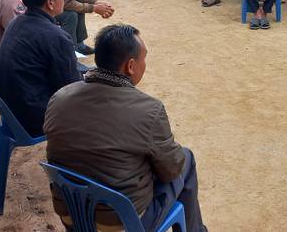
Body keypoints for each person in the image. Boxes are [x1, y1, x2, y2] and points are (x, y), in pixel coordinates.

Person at [44, 24, 207, 232]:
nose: (145, 64)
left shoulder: (59, 97)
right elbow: (170, 171)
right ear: (130, 66)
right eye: (144, 58)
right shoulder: (149, 110)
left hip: (70, 213)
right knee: (186, 159)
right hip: (119, 223)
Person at [0, 0, 81, 136]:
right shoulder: (55, 36)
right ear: (50, 3)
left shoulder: (17, 22)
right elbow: (69, 88)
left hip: (10, 108)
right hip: (34, 116)